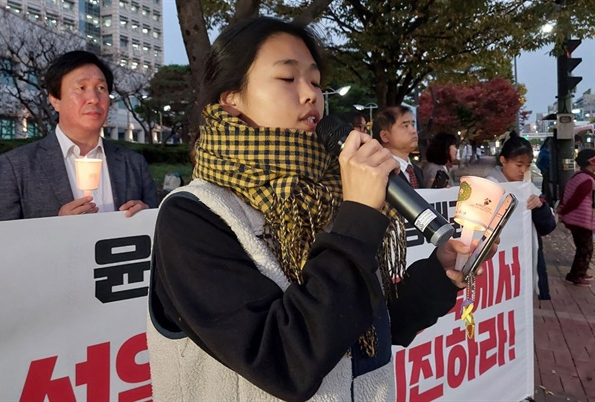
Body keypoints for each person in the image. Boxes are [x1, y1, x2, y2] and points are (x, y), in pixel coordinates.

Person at [147, 17, 497, 401]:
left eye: (315, 81)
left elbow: (366, 326)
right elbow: (284, 359)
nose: (311, 95)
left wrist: (441, 271)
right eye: (287, 79)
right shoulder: (193, 216)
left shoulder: (326, 194)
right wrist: (359, 215)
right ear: (232, 99)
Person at [0, 50, 158, 221]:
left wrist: (147, 217)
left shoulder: (133, 164)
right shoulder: (15, 167)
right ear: (55, 100)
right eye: (82, 88)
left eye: (101, 88)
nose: (94, 99)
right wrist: (55, 229)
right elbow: (2, 241)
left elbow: (158, 233)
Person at [486, 133, 556, 300]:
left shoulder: (529, 188)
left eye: (527, 165)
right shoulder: (488, 186)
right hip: (496, 264)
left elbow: (548, 227)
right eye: (519, 164)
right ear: (503, 160)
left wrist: (540, 206)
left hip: (522, 262)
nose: (523, 170)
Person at [557, 148, 595, 287]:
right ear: (591, 163)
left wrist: (563, 210)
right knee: (586, 249)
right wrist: (565, 211)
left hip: (575, 219)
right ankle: (576, 275)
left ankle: (580, 272)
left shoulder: (577, 176)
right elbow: (576, 200)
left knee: (582, 247)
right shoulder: (587, 180)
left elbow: (566, 194)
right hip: (581, 219)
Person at [372, 105, 424, 188]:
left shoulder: (417, 171)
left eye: (413, 125)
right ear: (385, 136)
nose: (413, 131)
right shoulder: (378, 172)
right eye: (405, 126)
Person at [536, 137, 553, 205]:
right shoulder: (543, 151)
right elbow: (538, 162)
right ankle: (547, 197)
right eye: (549, 142)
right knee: (546, 184)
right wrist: (543, 169)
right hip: (546, 170)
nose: (550, 144)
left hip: (552, 171)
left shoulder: (553, 151)